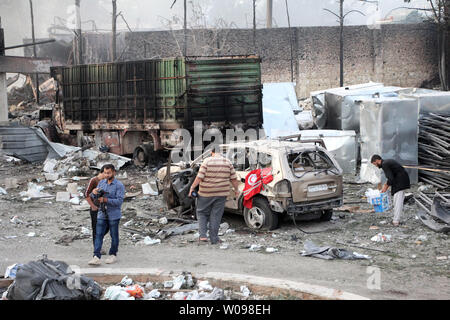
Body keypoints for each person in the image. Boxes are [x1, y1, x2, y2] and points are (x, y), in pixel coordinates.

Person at [189, 147, 240, 244]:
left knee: (202, 213)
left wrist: (192, 187)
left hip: (205, 193)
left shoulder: (207, 161)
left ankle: (203, 236)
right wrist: (236, 190)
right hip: (221, 194)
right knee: (216, 215)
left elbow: (199, 177)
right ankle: (214, 238)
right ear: (220, 153)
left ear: (212, 152)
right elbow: (234, 178)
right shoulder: (228, 162)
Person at [88, 164, 125, 265]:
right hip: (102, 213)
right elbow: (92, 195)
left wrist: (106, 200)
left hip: (114, 214)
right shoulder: (101, 183)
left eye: (108, 173)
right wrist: (94, 193)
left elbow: (119, 201)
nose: (106, 175)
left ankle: (113, 255)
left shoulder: (119, 185)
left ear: (114, 172)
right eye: (105, 173)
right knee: (98, 234)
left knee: (114, 235)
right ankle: (96, 256)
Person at [371, 155, 410, 227]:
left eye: (374, 164)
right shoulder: (387, 162)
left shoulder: (385, 164)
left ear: (376, 161)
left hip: (400, 182)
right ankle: (396, 219)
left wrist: (385, 187)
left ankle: (396, 221)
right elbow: (391, 176)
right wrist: (386, 184)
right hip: (402, 181)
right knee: (398, 201)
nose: (375, 166)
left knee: (397, 201)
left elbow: (390, 178)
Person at [85, 166, 109, 251]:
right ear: (102, 172)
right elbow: (86, 194)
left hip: (104, 208)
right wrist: (93, 206)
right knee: (96, 228)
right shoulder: (94, 180)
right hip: (95, 208)